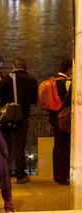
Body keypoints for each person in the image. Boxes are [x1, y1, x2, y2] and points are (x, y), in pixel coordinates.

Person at [0, 56, 38, 184]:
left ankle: (4, 173)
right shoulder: (32, 80)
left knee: (5, 146)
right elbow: (34, 100)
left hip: (7, 118)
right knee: (20, 146)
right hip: (22, 117)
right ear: (25, 67)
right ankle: (20, 175)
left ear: (13, 66)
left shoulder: (7, 79)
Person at [48, 57, 72, 185]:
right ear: (69, 69)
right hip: (64, 118)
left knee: (57, 146)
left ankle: (57, 175)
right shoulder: (67, 83)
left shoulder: (53, 80)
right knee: (65, 146)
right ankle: (64, 176)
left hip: (53, 117)